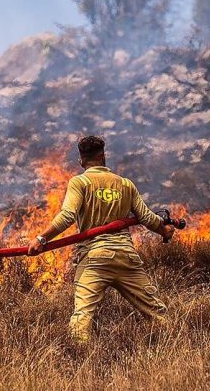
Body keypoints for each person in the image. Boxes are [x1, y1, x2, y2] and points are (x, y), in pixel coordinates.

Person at [28, 135, 175, 343]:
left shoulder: (80, 182)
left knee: (82, 319)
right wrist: (165, 230)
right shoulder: (125, 184)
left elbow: (68, 215)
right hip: (126, 258)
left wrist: (42, 238)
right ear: (103, 157)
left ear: (81, 161)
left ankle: (79, 364)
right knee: (158, 314)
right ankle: (176, 348)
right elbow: (147, 218)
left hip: (95, 258)